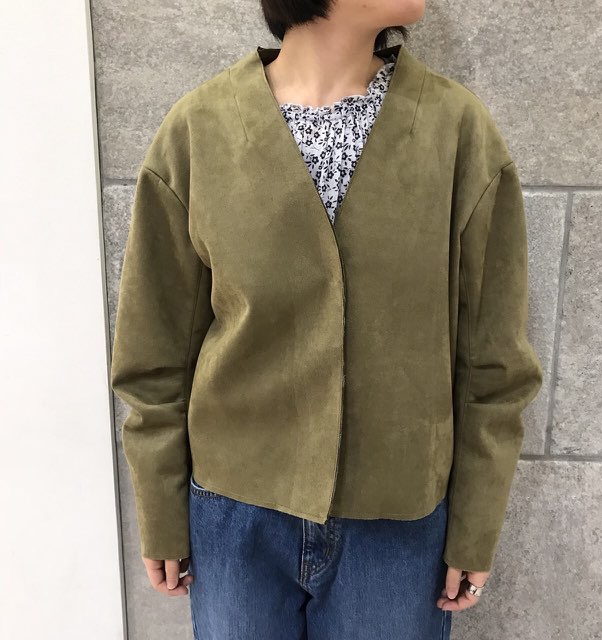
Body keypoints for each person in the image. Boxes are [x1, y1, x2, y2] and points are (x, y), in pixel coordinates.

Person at [110, 1, 544, 638]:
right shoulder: (199, 131)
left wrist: (476, 524)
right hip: (235, 511)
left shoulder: (456, 133)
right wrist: (160, 506)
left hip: (397, 521)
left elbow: (494, 359)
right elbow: (154, 349)